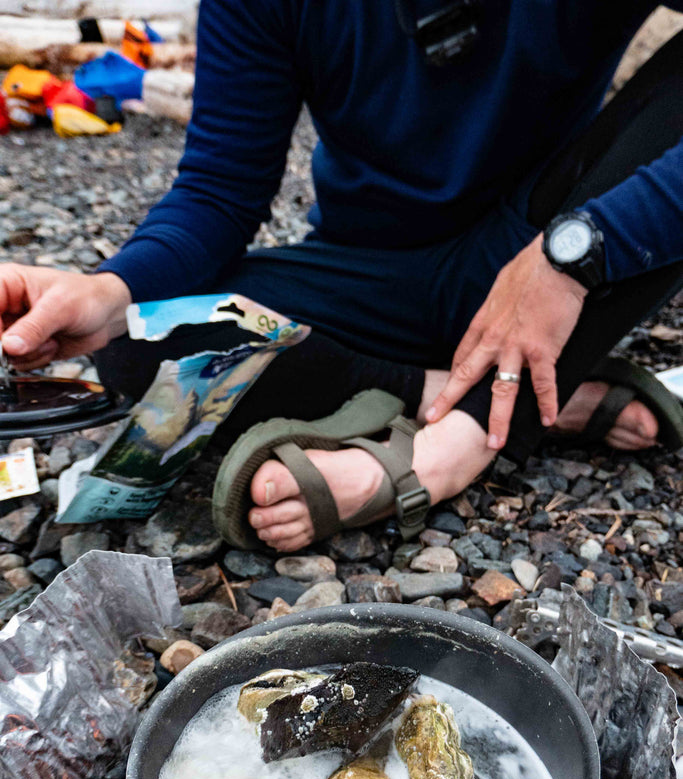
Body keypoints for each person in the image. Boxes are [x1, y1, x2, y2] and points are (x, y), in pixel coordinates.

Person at [1, 1, 682, 553]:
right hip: (369, 275)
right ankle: (493, 392)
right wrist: (109, 290)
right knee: (135, 338)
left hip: (537, 239)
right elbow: (218, 191)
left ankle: (454, 444)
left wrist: (571, 255)